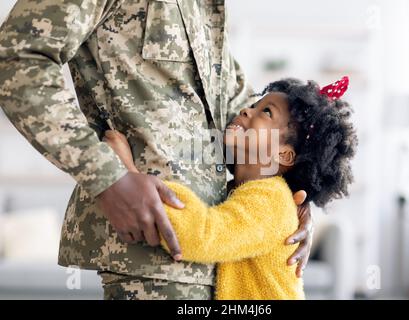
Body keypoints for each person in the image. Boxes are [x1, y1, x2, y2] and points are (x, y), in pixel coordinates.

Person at [0, 0, 312, 299]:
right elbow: (18, 56)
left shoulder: (207, 6)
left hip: (217, 266)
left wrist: (289, 200)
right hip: (151, 250)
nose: (251, 111)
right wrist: (109, 176)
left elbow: (236, 112)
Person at [104, 77, 358, 299]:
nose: (246, 110)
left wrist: (126, 172)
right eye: (253, 105)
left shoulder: (271, 201)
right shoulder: (245, 192)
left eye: (266, 112)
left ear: (285, 154)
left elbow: (200, 236)